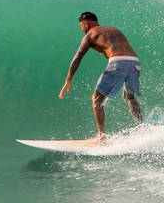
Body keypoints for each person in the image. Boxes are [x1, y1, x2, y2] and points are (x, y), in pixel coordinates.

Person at [58, 11, 142, 141]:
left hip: (117, 62)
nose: (82, 30)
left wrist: (68, 80)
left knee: (96, 100)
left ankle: (101, 136)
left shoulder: (90, 34)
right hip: (134, 61)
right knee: (129, 96)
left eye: (81, 27)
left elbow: (78, 57)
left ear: (86, 24)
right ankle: (140, 126)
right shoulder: (113, 29)